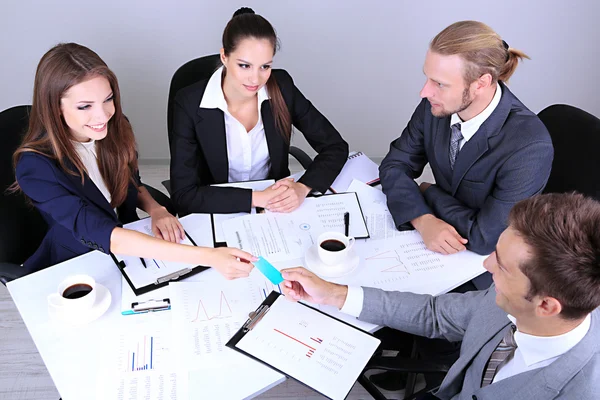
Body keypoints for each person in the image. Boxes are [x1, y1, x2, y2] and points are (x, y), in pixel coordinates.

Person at [282, 193, 600, 399]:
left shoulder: (580, 390)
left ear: (546, 305)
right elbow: (435, 314)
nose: (486, 265)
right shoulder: (515, 299)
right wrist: (333, 293)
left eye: (501, 266)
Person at [11, 43, 256, 279]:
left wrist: (156, 209)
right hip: (79, 263)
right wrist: (208, 256)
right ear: (54, 108)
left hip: (130, 246)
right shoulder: (36, 166)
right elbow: (104, 234)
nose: (103, 115)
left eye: (108, 99)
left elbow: (131, 182)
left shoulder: (113, 129)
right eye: (85, 106)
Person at [379, 21, 553, 277]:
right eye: (427, 77)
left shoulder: (529, 146)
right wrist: (423, 219)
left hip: (484, 268)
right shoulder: (435, 106)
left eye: (439, 83)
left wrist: (428, 191)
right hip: (432, 244)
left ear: (481, 83)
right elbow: (395, 164)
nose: (424, 91)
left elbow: (486, 237)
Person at [169, 7, 349, 216]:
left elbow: (335, 147)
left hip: (276, 210)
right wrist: (258, 198)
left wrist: (303, 187)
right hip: (218, 210)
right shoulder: (189, 103)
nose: (255, 79)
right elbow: (183, 195)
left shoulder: (282, 87)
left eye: (265, 66)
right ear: (224, 57)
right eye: (245, 66)